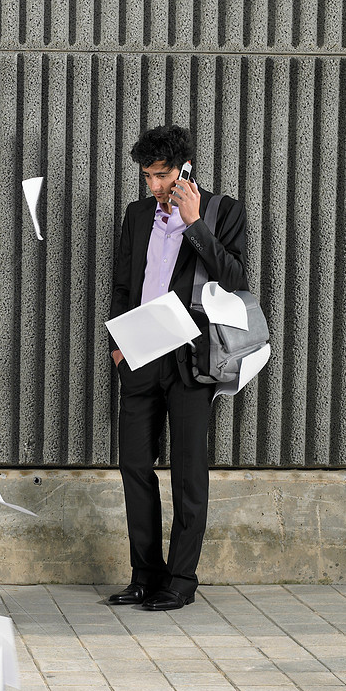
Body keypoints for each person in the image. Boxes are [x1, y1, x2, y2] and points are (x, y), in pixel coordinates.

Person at [107, 124, 246, 611]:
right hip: (139, 356)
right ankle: (145, 575)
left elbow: (233, 279)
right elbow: (124, 281)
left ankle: (181, 580)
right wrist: (118, 346)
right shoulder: (137, 213)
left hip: (192, 361)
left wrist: (194, 224)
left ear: (185, 170)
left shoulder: (223, 211)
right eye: (146, 176)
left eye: (161, 175)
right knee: (135, 468)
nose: (153, 186)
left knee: (188, 473)